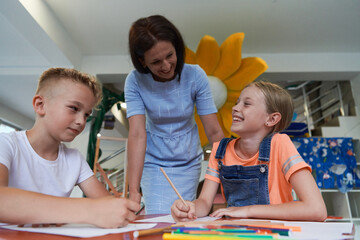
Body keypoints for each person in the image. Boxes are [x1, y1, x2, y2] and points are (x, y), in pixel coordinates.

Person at [0, 68, 140, 227]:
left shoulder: (74, 159)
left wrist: (122, 209)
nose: (81, 121)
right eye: (74, 108)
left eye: (87, 114)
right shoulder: (6, 144)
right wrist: (88, 211)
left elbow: (106, 204)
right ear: (40, 105)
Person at [171, 81, 327, 222]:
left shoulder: (280, 143)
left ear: (271, 119)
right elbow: (204, 203)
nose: (235, 108)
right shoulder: (220, 150)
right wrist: (190, 207)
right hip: (237, 233)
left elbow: (316, 209)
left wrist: (247, 211)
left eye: (246, 104)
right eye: (237, 102)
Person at [125, 15, 224, 214]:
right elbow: (137, 134)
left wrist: (227, 174)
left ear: (177, 48)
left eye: (170, 55)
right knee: (158, 214)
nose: (166, 66)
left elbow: (214, 132)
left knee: (183, 215)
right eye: (155, 62)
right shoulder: (135, 81)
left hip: (188, 161)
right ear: (142, 61)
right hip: (153, 161)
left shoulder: (195, 76)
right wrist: (133, 190)